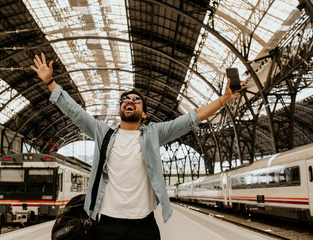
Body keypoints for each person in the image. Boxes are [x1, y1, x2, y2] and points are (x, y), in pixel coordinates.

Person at [31, 53, 242, 240]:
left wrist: (224, 99)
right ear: (119, 110)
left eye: (136, 100)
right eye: (125, 99)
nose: (129, 100)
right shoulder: (103, 133)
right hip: (108, 224)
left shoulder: (154, 133)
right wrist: (50, 82)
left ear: (144, 114)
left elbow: (189, 119)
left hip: (144, 225)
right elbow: (74, 111)